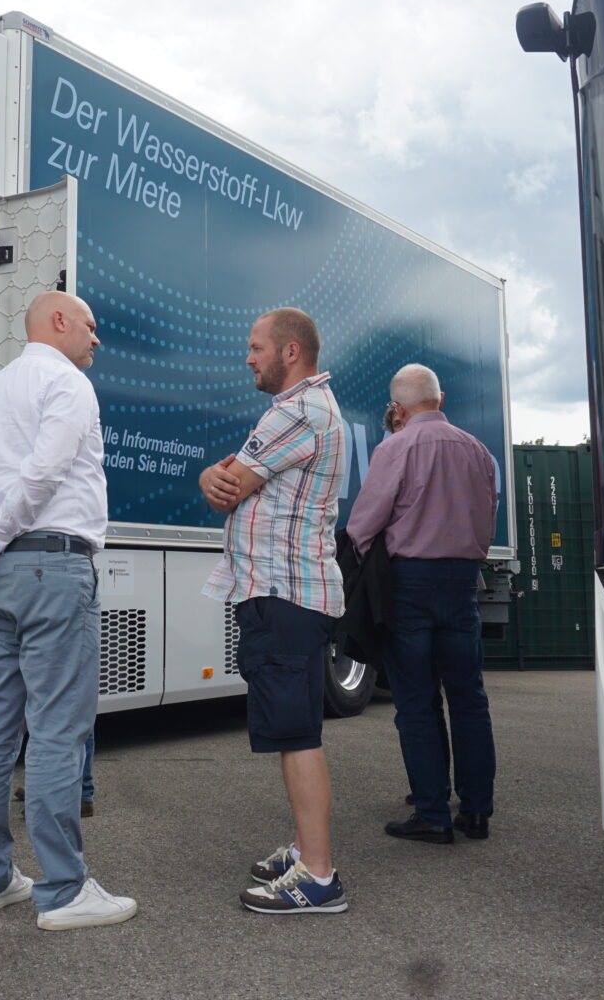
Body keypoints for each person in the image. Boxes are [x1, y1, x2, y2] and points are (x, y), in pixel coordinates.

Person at [0, 291, 136, 931]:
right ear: (58, 322)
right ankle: (63, 892)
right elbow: (45, 473)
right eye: (90, 324)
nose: (96, 338)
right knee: (58, 730)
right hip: (51, 566)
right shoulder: (69, 384)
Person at [199, 307, 350, 914]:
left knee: (297, 736)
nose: (249, 356)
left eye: (257, 347)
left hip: (284, 593)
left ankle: (318, 877)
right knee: (298, 729)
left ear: (290, 353)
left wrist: (215, 472)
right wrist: (219, 473)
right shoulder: (311, 410)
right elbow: (230, 480)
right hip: (295, 592)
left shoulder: (296, 410)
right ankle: (303, 850)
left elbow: (226, 487)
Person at [346, 363, 498, 845]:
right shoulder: (479, 452)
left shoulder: (395, 448)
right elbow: (488, 519)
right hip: (462, 583)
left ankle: (432, 811)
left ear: (397, 408)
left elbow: (363, 526)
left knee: (415, 701)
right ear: (440, 397)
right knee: (469, 698)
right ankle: (476, 811)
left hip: (410, 583)